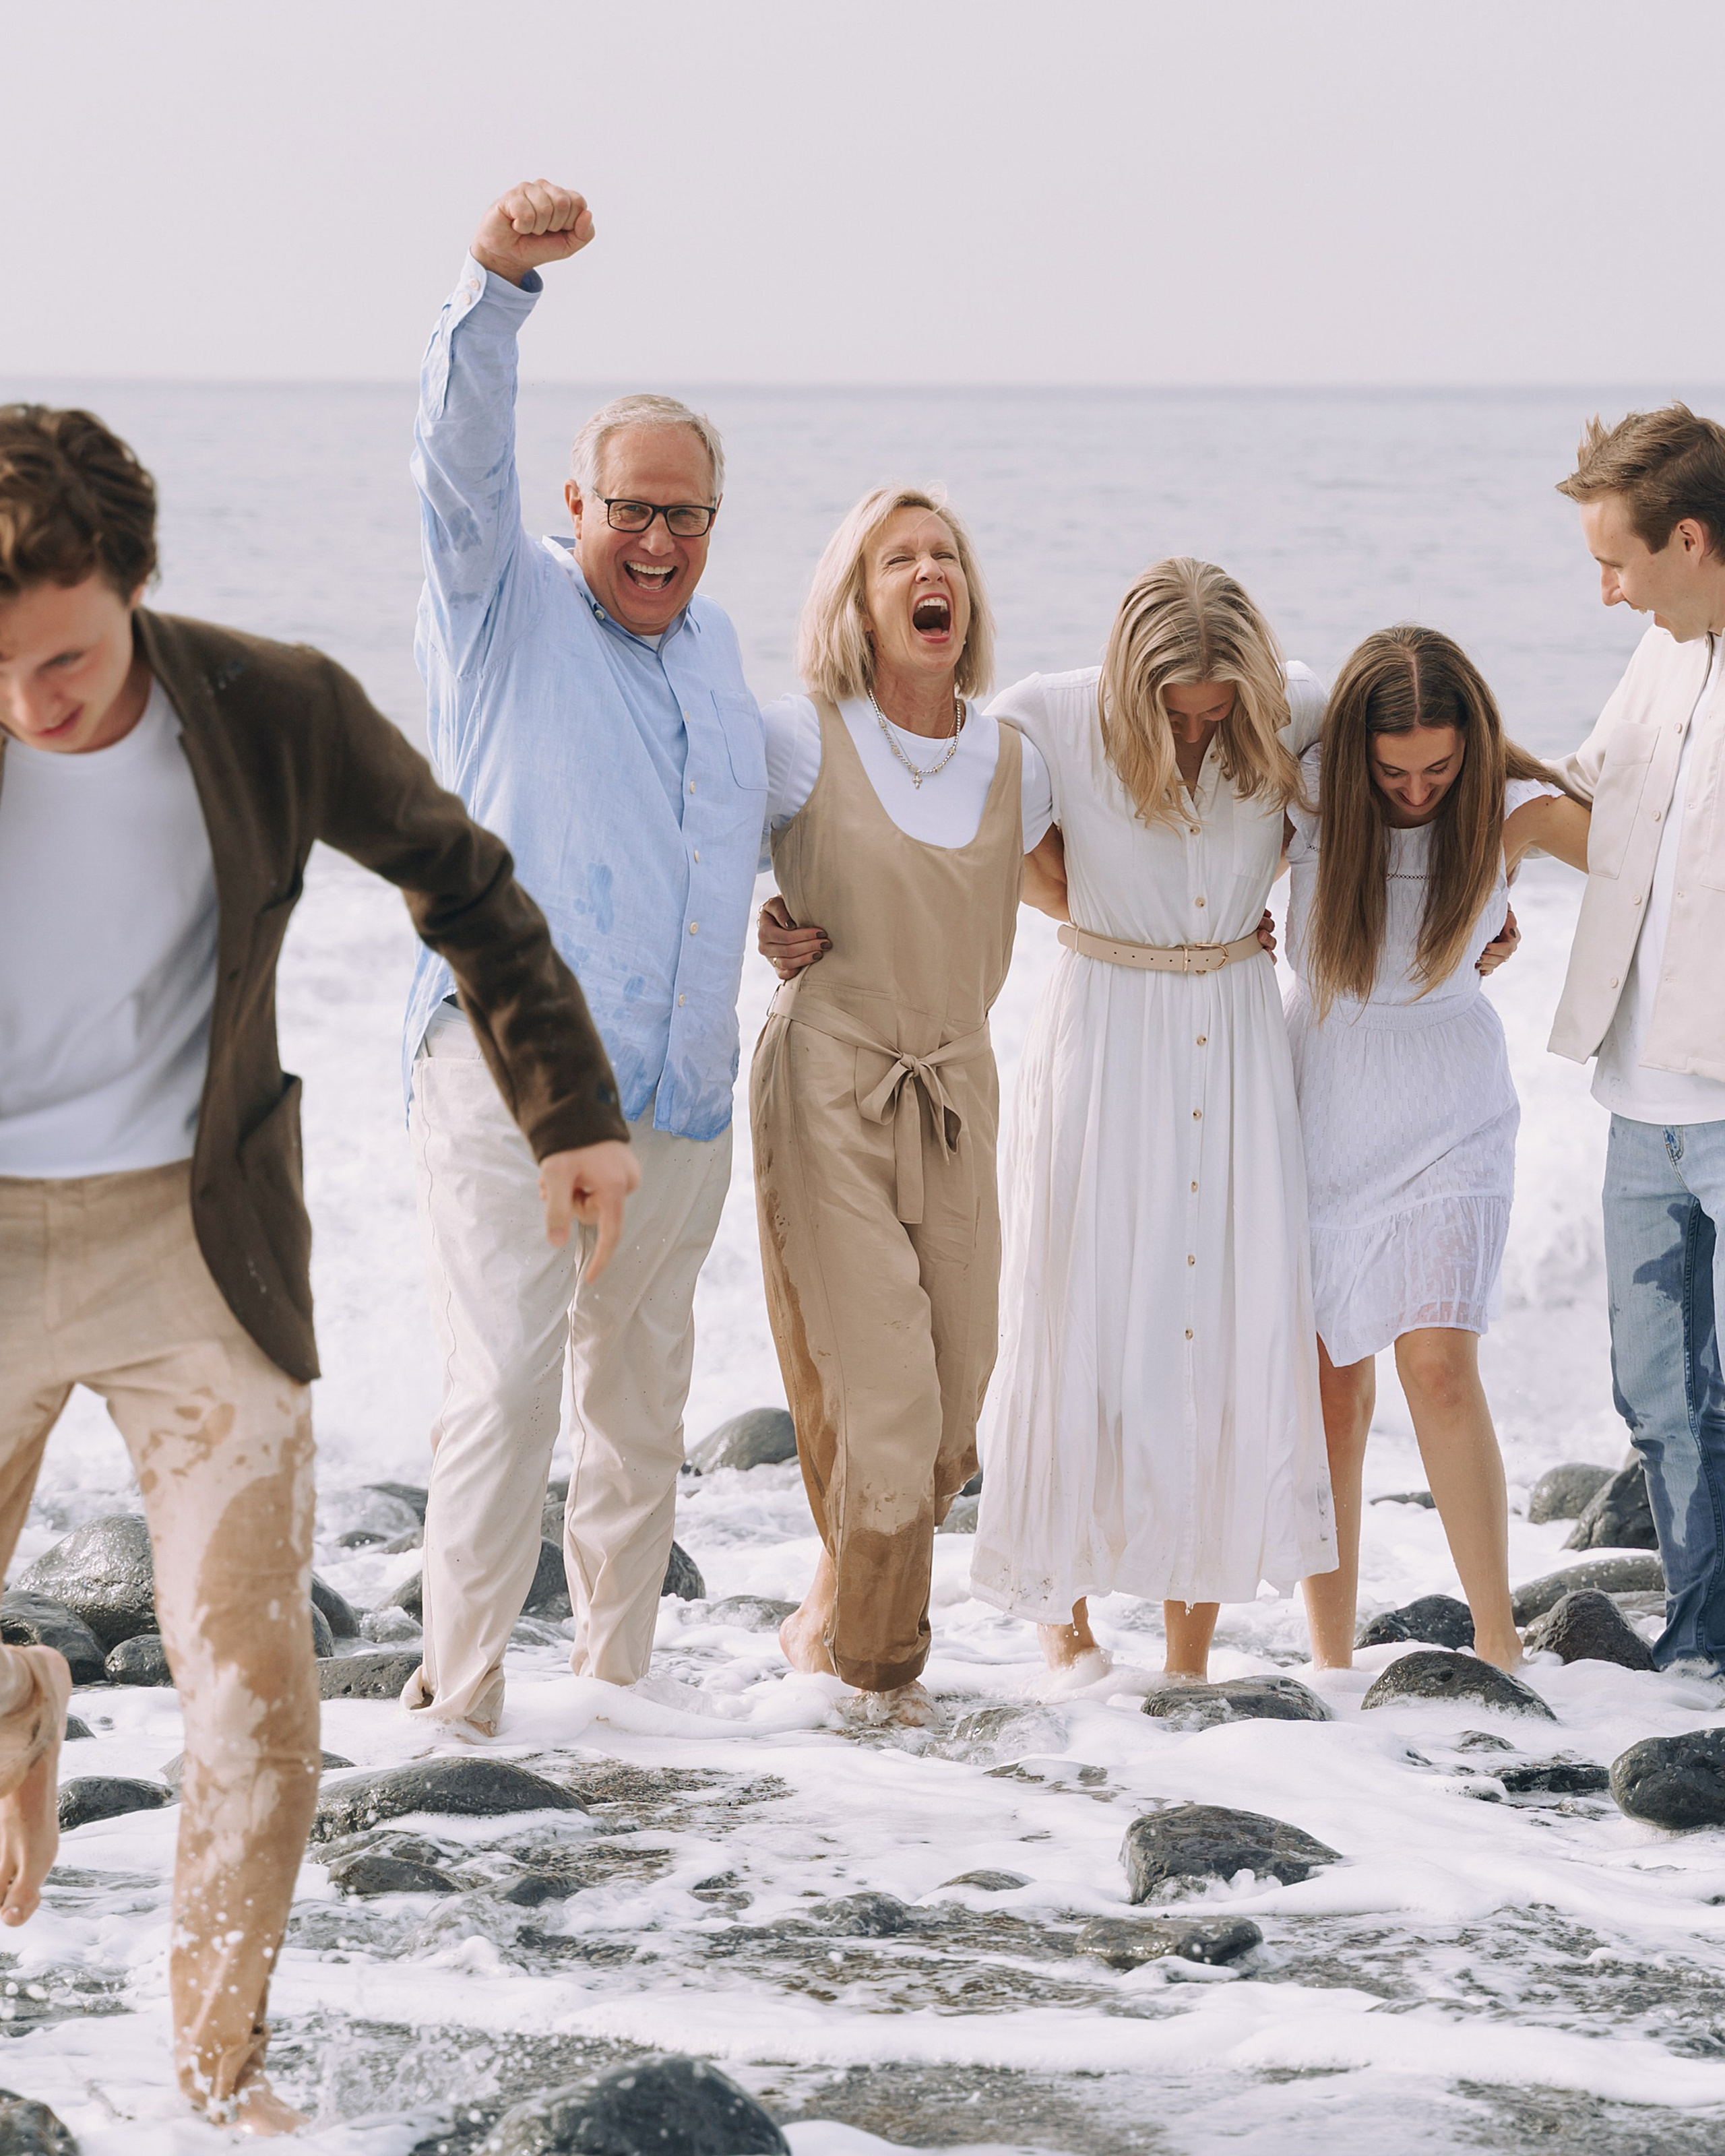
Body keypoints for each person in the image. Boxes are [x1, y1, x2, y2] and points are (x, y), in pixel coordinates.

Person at [0, 404, 633, 2132]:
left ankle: (220, 2075)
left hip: (186, 1241)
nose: (30, 707)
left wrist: (567, 1102)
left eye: (59, 663)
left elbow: (461, 876)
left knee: (258, 1696)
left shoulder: (269, 705)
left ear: (133, 583)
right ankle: (21, 1701)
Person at [403, 181, 766, 1733]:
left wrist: (791, 915)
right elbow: (453, 461)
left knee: (639, 1407)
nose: (658, 538)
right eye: (631, 507)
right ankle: (458, 1704)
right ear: (573, 505)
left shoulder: (725, 651)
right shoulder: (501, 611)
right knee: (500, 1386)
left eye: (686, 513)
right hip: (507, 1076)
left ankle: (615, 1693)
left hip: (679, 1093)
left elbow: (760, 812)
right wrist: (495, 285)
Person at [968, 559, 1336, 1686]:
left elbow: (1434, 754)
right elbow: (954, 827)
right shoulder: (1049, 715)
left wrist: (1496, 887)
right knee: (1073, 1307)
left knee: (1218, 1322)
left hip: (1232, 1033)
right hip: (1104, 1028)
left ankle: (1189, 1655)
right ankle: (1063, 1624)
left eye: (1216, 706)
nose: (1200, 723)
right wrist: (1083, 903)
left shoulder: (1295, 704)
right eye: (1179, 708)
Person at [752, 486, 1055, 1722]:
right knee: (881, 1395)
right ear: (858, 601)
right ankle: (876, 1694)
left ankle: (826, 1612)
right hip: (830, 1075)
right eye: (899, 559)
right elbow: (692, 849)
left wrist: (1214, 944)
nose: (931, 573)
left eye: (947, 557)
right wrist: (757, 922)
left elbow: (1080, 890)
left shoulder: (1018, 761)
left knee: (952, 1400)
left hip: (958, 1087)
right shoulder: (794, 738)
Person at [1284, 627, 1590, 1672]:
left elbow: (1664, 852)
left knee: (1438, 1367)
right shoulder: (1314, 796)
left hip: (1452, 1112)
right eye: (1395, 771)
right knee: (1331, 1387)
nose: (1417, 790)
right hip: (1322, 1104)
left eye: (1441, 768)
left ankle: (1499, 1647)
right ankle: (1331, 1665)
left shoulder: (1508, 810)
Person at [1547, 404, 1725, 1673]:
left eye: (1619, 561)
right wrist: (1469, 865)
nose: (1606, 590)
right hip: (1639, 1101)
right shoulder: (1660, 656)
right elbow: (1588, 802)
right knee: (1657, 1397)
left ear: (1694, 538)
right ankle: (1703, 1641)